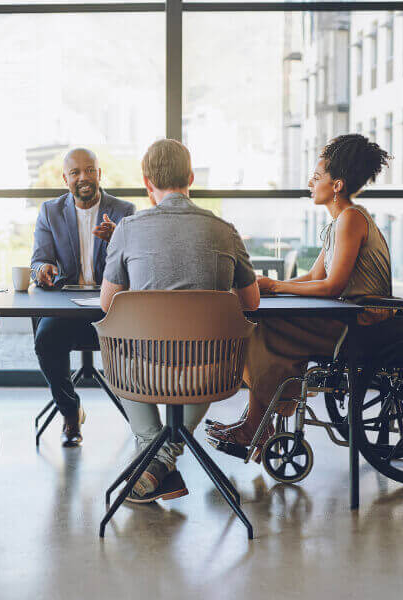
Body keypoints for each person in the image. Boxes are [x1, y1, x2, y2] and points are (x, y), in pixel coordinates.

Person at [208, 133, 391, 452]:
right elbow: (314, 276)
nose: (310, 181)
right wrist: (270, 286)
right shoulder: (339, 222)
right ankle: (257, 422)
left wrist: (276, 286)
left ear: (337, 185)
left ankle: (257, 426)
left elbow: (333, 286)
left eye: (318, 176)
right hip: (348, 316)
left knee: (263, 328)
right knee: (263, 322)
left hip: (362, 324)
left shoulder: (351, 219)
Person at [100, 139, 260, 503]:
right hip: (211, 371)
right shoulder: (225, 230)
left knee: (114, 334)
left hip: (142, 370)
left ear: (146, 183)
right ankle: (162, 460)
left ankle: (153, 453)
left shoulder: (127, 229)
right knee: (209, 344)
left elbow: (108, 304)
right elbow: (251, 301)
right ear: (190, 177)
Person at [31, 148, 136, 447]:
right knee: (45, 339)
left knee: (139, 339)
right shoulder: (50, 212)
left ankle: (141, 417)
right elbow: (38, 260)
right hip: (68, 306)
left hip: (111, 307)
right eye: (75, 172)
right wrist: (43, 269)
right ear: (65, 179)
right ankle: (70, 412)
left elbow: (139, 264)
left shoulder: (124, 211)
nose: (84, 178)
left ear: (100, 174)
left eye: (89, 170)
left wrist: (118, 238)